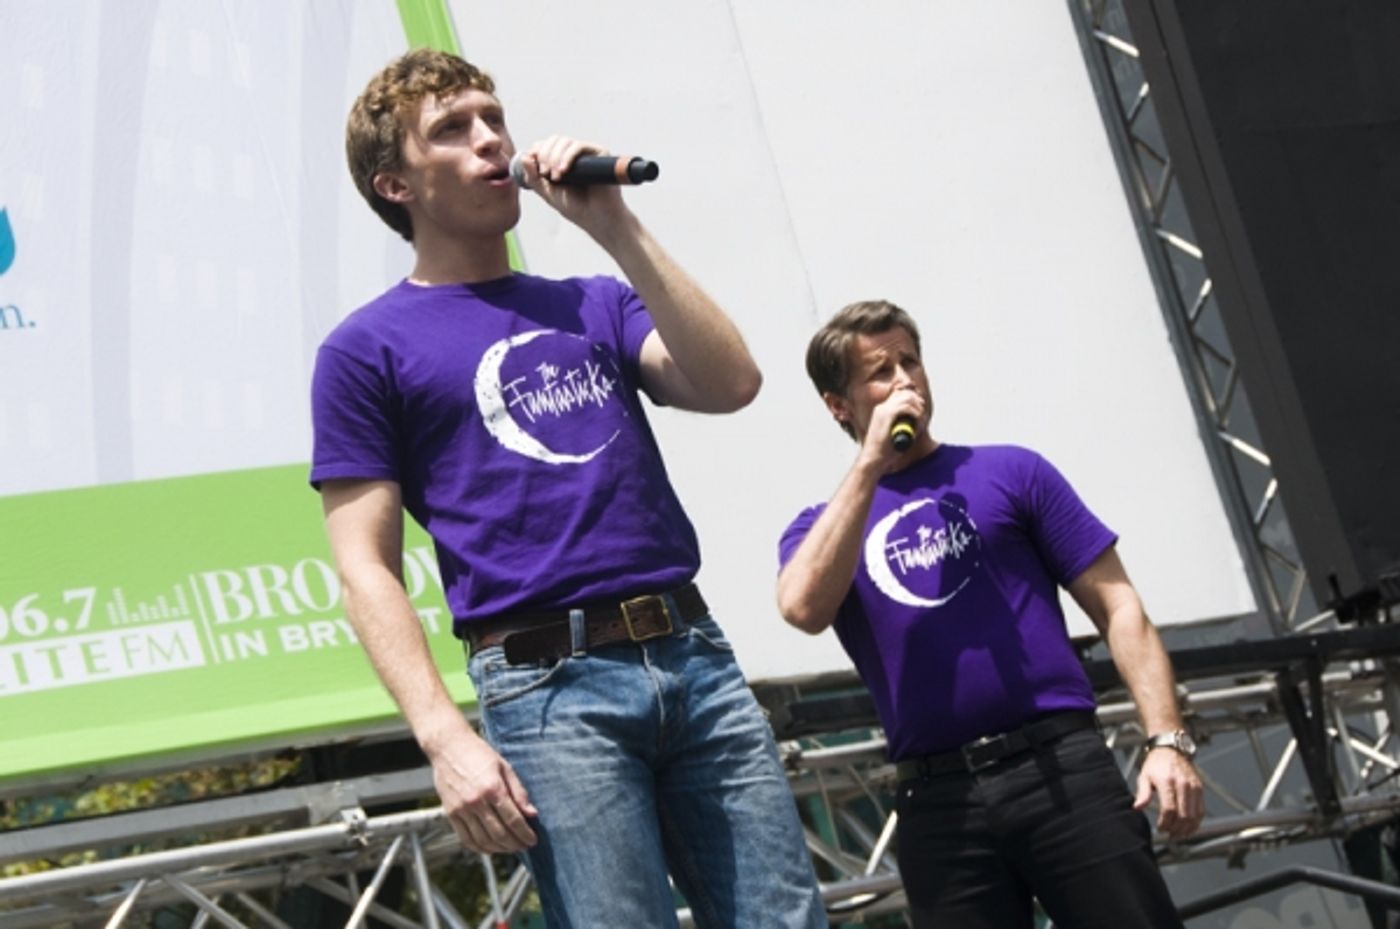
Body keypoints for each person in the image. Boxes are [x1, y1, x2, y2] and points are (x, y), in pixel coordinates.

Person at [311, 49, 825, 928]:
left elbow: (730, 381)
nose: (490, 140)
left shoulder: (592, 299)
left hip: (691, 652)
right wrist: (444, 737)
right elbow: (366, 566)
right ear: (395, 184)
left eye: (492, 118)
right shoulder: (366, 348)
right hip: (547, 688)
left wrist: (616, 227)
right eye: (453, 128)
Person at [776, 299, 1203, 928]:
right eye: (880, 372)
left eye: (910, 362)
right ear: (839, 404)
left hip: (1060, 768)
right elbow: (803, 607)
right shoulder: (821, 527)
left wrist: (1166, 739)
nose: (904, 382)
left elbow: (1119, 604)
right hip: (938, 801)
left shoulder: (1012, 471)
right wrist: (871, 462)